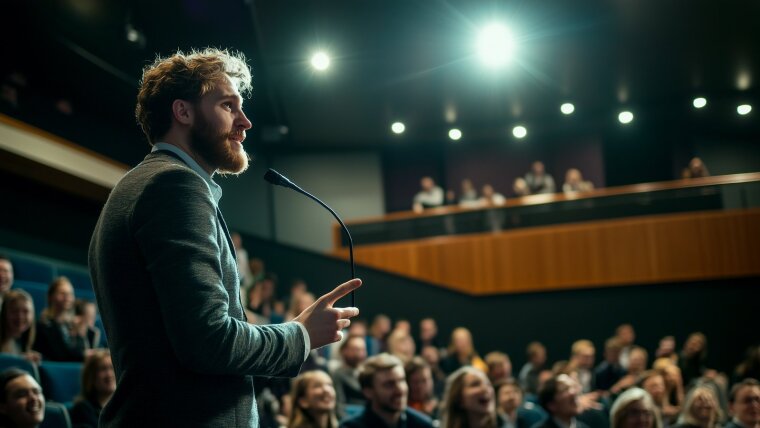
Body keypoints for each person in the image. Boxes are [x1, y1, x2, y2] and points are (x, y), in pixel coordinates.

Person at [88, 48, 362, 427]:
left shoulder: (138, 185)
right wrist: (299, 335)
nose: (245, 122)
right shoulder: (175, 185)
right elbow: (209, 342)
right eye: (228, 106)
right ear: (182, 112)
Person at [340, 353, 433, 428]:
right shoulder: (350, 426)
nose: (400, 389)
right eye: (389, 384)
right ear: (368, 392)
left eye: (401, 380)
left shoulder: (423, 425)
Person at [33, 276, 88, 361]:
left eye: (70, 294)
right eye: (62, 293)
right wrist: (84, 354)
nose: (67, 297)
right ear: (51, 296)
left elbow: (80, 351)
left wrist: (80, 335)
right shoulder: (42, 324)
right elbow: (59, 354)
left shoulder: (72, 325)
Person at [69, 350, 116, 428]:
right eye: (103, 369)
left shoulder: (121, 406)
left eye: (112, 368)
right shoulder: (82, 409)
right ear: (91, 377)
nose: (109, 374)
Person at [331, 335, 368, 417]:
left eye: (363, 349)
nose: (360, 353)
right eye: (356, 349)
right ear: (344, 351)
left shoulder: (368, 373)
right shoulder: (338, 374)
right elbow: (338, 405)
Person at [0, 290, 40, 364]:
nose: (20, 317)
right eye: (14, 311)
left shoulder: (24, 342)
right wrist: (20, 360)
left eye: (25, 311)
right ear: (4, 313)